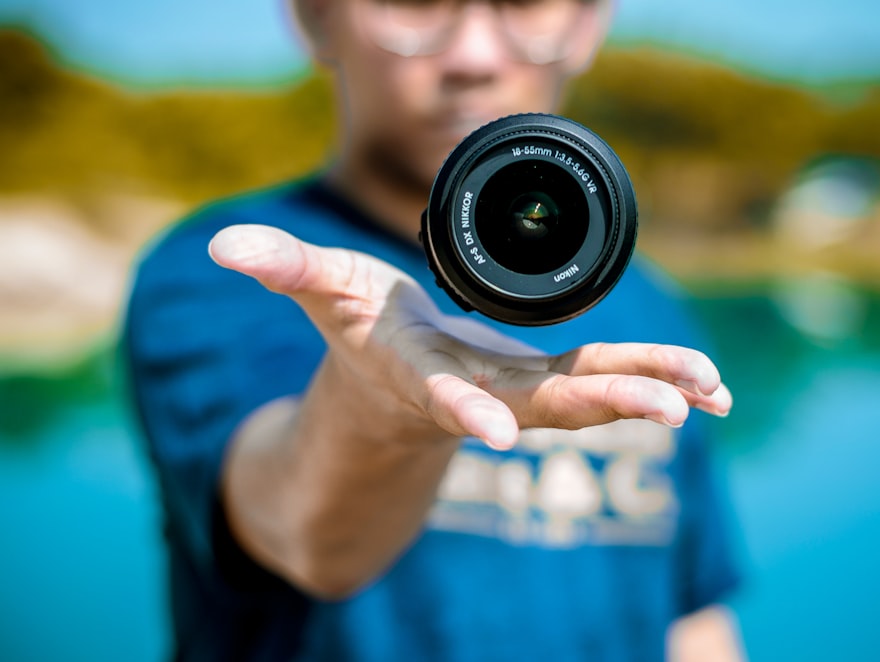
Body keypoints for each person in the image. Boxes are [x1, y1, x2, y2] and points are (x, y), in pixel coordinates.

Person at [124, 0, 745, 659]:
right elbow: (304, 535)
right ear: (314, 18)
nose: (473, 57)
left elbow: (692, 617)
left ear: (586, 26)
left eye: (527, 4)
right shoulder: (235, 267)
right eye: (416, 2)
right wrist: (378, 411)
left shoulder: (650, 305)